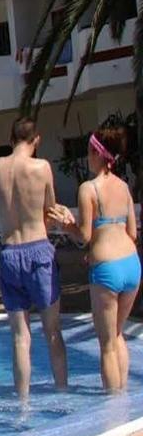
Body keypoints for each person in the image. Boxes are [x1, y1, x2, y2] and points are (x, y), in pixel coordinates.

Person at [0, 117, 71, 397]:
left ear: (11, 138)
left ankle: (23, 404)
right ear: (36, 140)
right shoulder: (42, 167)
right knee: (52, 332)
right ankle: (62, 394)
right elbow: (49, 211)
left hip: (10, 254)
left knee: (19, 337)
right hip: (38, 251)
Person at [68, 124, 138, 392]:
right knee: (118, 334)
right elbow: (132, 232)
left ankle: (112, 410)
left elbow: (84, 235)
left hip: (107, 270)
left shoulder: (88, 189)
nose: (87, 157)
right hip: (132, 266)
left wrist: (66, 225)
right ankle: (125, 401)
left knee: (107, 344)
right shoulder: (124, 187)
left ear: (97, 154)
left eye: (88, 151)